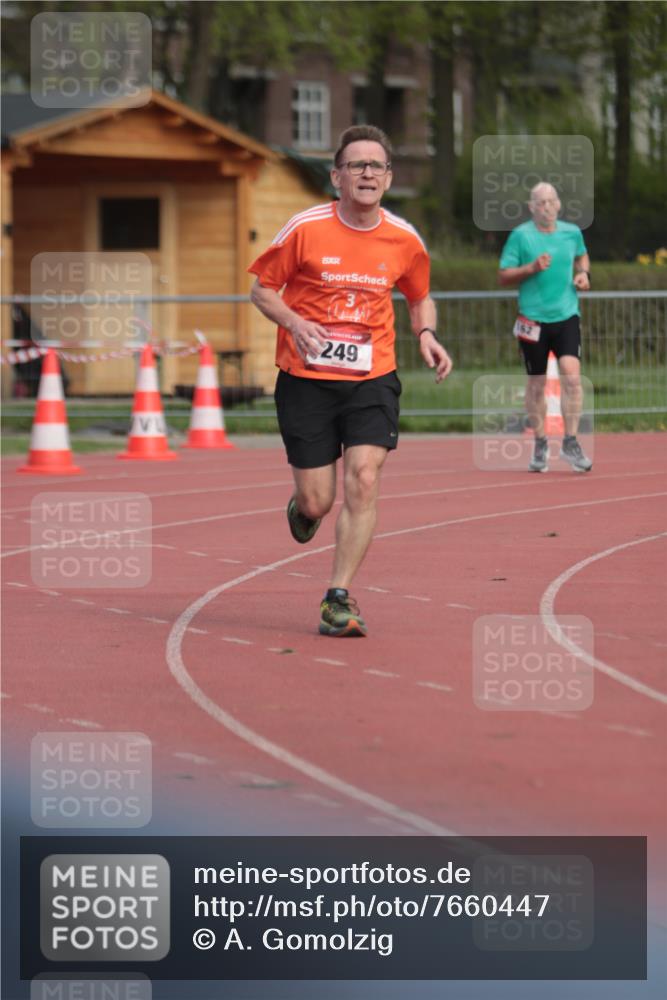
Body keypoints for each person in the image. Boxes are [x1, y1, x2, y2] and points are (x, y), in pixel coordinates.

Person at [248, 124, 453, 637]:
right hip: (307, 379)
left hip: (372, 376)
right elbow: (262, 290)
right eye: (356, 165)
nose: (366, 173)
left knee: (363, 477)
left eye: (376, 165)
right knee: (320, 500)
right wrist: (295, 322)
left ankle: (337, 597)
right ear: (337, 175)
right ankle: (305, 506)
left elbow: (418, 293)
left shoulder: (404, 238)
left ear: (388, 178)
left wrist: (425, 332)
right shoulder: (306, 228)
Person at [498, 181, 592, 473]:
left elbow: (582, 256)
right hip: (533, 319)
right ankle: (540, 443)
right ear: (531, 207)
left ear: (559, 204)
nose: (547, 207)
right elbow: (503, 276)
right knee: (536, 383)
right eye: (541, 203)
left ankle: (571, 441)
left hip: (566, 316)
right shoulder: (520, 236)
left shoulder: (571, 233)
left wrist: (583, 274)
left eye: (552, 201)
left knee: (572, 377)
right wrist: (532, 268)